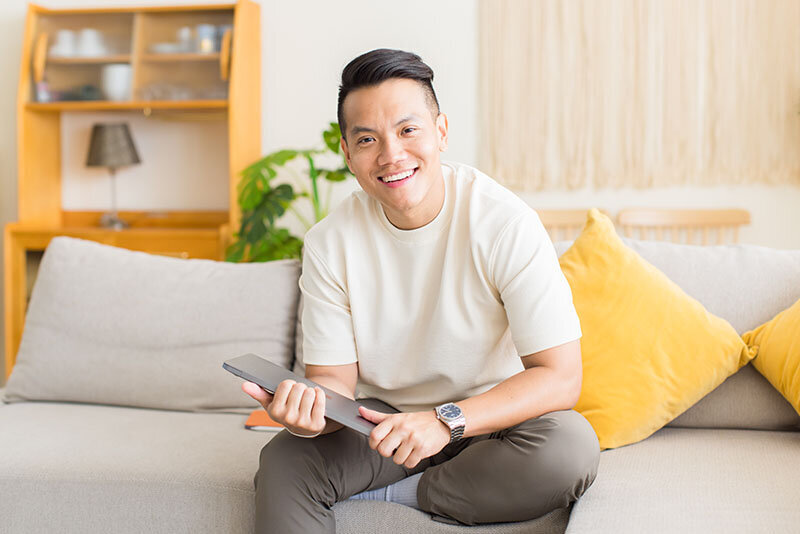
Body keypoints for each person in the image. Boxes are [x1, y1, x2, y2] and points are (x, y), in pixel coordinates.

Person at [242, 48, 600, 533]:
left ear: (441, 132)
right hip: (381, 425)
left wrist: (442, 421)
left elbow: (560, 377)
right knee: (285, 462)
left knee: (570, 448)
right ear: (348, 154)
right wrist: (311, 416)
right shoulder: (329, 243)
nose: (392, 155)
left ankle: (407, 493)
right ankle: (405, 480)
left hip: (489, 419)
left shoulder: (504, 223)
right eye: (367, 139)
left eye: (408, 130)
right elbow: (333, 384)